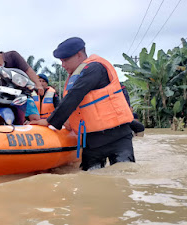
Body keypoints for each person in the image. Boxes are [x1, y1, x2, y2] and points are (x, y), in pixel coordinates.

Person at [30, 37, 135, 171]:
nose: (62, 65)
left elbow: (75, 95)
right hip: (91, 141)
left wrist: (49, 121)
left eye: (65, 60)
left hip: (117, 138)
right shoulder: (74, 77)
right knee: (89, 181)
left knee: (124, 175)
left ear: (79, 55)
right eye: (61, 61)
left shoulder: (95, 68)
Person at [0, 45, 42, 122]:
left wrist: (38, 85)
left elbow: (28, 70)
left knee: (35, 120)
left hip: (22, 94)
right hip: (2, 95)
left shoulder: (12, 56)